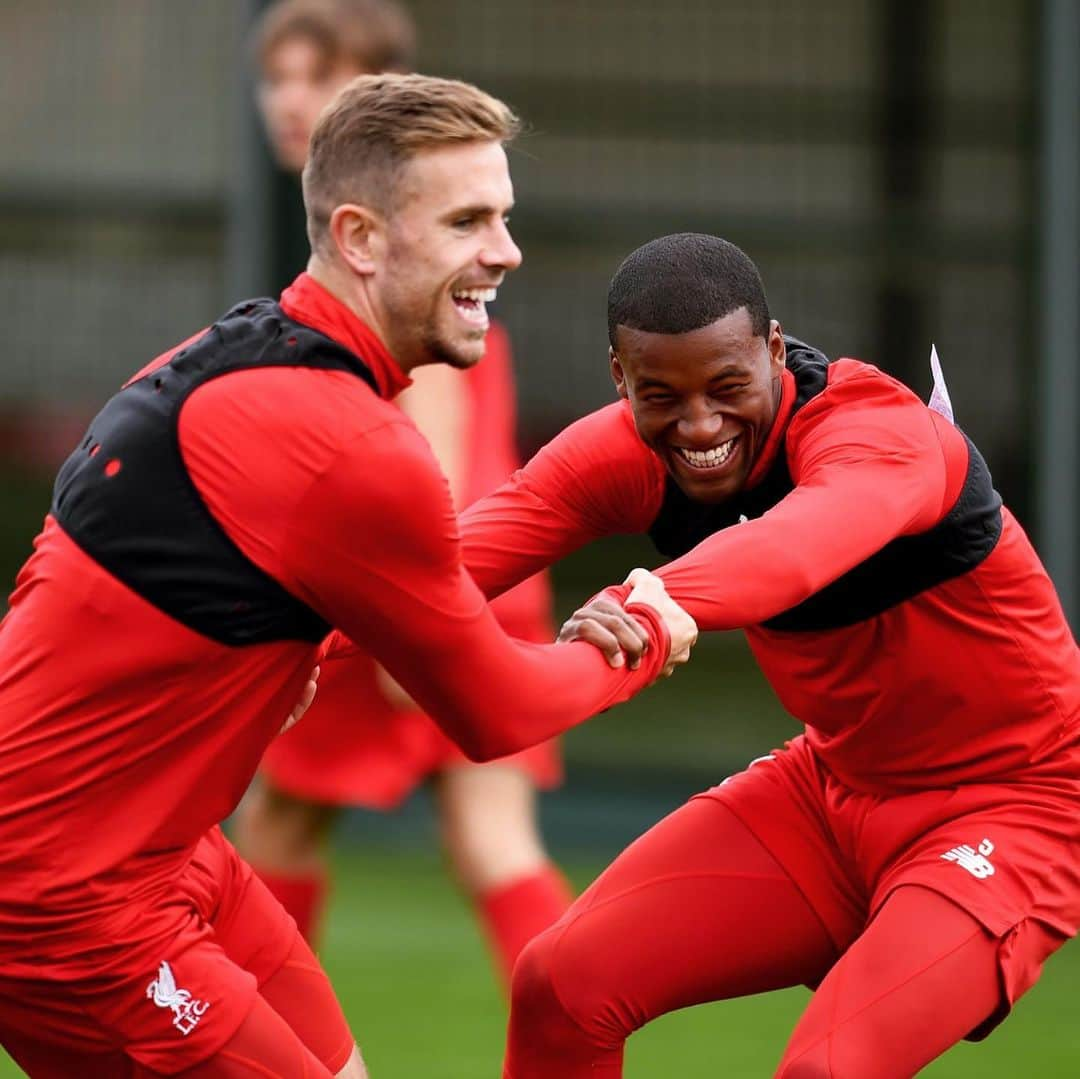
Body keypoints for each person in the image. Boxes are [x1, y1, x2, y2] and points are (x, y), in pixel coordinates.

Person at [0, 76, 696, 1079]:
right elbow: (493, 709)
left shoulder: (237, 353)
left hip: (167, 852)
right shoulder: (351, 446)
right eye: (467, 220)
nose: (505, 251)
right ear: (361, 237)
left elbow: (341, 587)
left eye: (504, 216)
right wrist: (639, 628)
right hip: (66, 902)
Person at [451, 233, 1080, 1078]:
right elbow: (435, 573)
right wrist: (279, 642)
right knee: (560, 984)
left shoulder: (877, 433)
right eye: (661, 394)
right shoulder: (631, 454)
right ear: (620, 379)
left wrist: (645, 605)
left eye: (728, 386)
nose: (700, 423)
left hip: (1020, 802)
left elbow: (792, 551)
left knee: (827, 1066)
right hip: (833, 790)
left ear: (776, 351)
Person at [234, 0, 574, 985]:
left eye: (318, 76)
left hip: (419, 573)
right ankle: (584, 1031)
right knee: (476, 832)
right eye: (277, 77)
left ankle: (264, 1042)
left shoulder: (393, 260)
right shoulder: (376, 249)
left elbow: (428, 435)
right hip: (456, 572)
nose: (290, 100)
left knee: (290, 824)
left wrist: (420, 609)